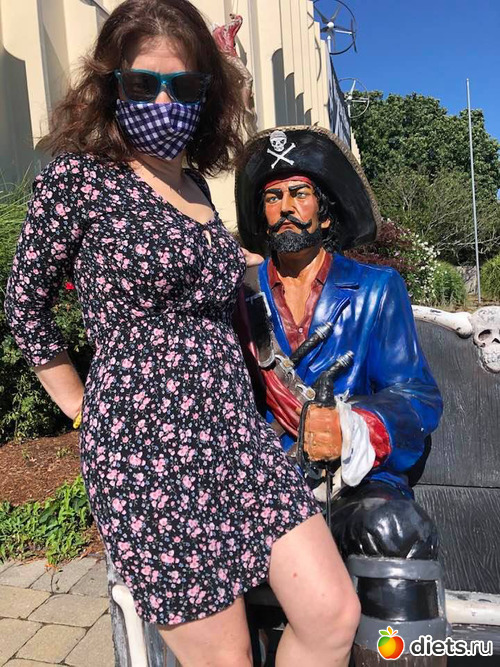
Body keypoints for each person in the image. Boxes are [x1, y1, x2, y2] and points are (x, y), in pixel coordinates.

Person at [3, 3, 360, 666]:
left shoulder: (194, 182)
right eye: (144, 83)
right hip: (149, 455)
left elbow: (199, 281)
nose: (164, 101)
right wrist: (83, 407)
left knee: (332, 614)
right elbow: (25, 304)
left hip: (236, 437)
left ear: (206, 94)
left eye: (185, 85)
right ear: (111, 85)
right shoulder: (77, 180)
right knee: (226, 659)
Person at [235, 126, 446, 664]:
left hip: (353, 484)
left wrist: (355, 426)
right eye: (272, 197)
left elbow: (417, 395)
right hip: (265, 481)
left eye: (299, 194)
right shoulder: (241, 299)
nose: (285, 208)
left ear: (325, 213)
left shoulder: (377, 289)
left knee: (393, 527)